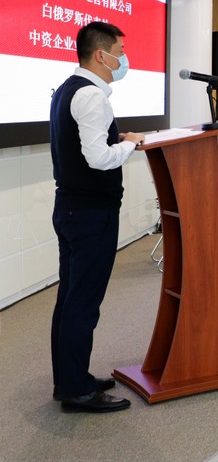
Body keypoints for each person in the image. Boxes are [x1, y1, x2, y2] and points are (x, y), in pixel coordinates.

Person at [50, 22, 144, 413]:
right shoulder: (91, 95)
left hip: (72, 209)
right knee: (83, 303)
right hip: (91, 214)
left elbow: (84, 145)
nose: (124, 60)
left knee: (71, 298)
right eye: (120, 52)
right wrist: (130, 145)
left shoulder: (67, 89)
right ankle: (77, 390)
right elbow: (98, 159)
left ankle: (72, 379)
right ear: (101, 55)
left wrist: (117, 140)